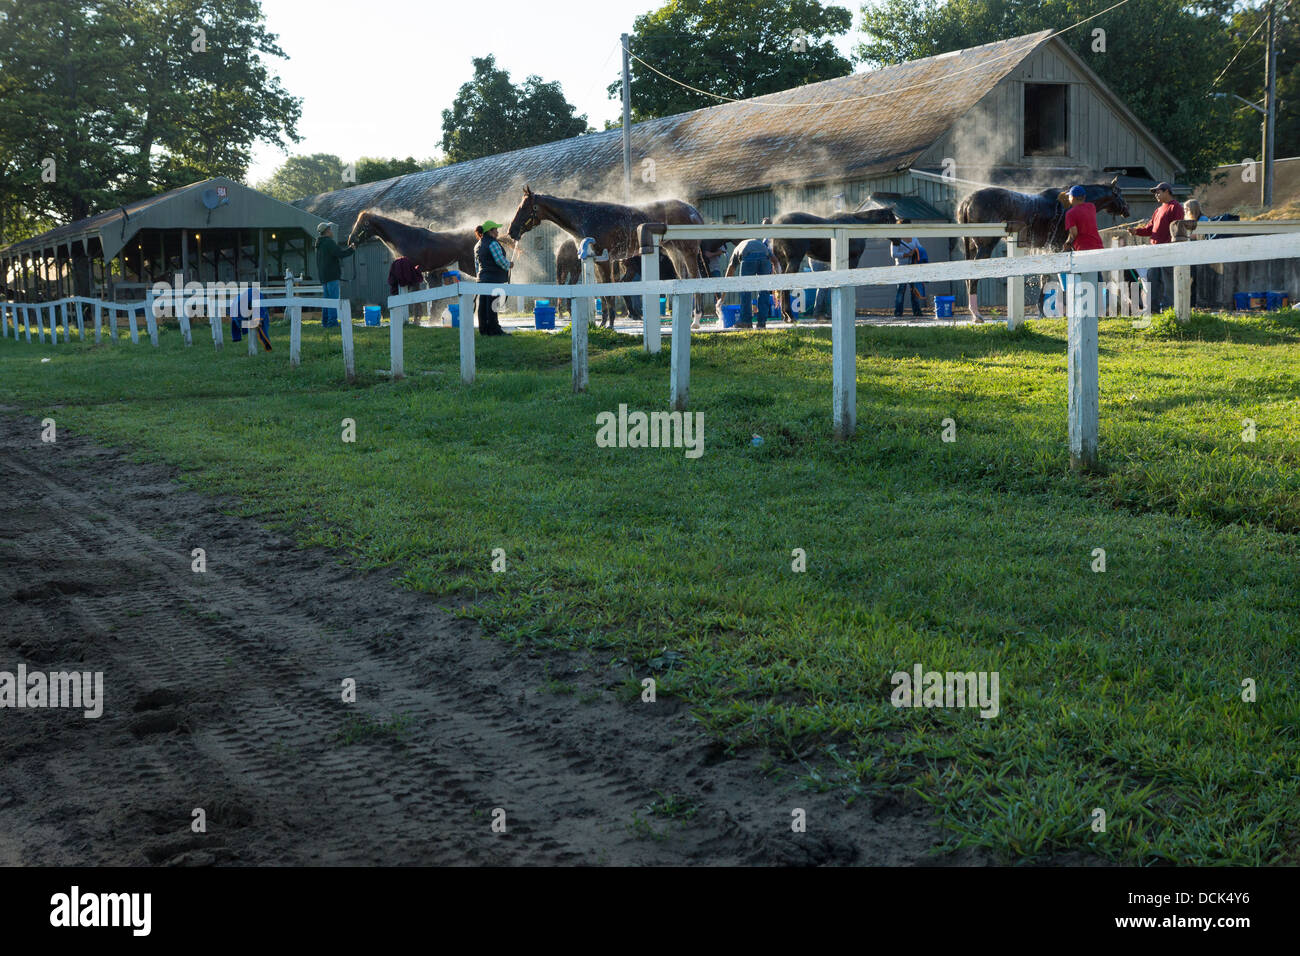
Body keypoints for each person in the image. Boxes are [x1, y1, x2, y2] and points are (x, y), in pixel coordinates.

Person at [1127, 182, 1183, 312]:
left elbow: (1177, 228)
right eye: (1155, 193)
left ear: (1167, 191)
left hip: (1168, 250)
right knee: (1152, 281)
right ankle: (1153, 309)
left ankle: (1169, 309)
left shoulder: (1176, 207)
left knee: (1168, 282)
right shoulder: (1158, 210)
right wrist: (1136, 231)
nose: (1156, 195)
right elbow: (1150, 229)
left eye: (1158, 192)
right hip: (1154, 251)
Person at [725, 229, 779, 329]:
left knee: (745, 290)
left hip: (748, 256)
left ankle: (746, 322)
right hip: (765, 257)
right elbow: (775, 261)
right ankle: (762, 323)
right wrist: (777, 279)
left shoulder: (738, 247)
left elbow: (730, 270)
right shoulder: (759, 243)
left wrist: (723, 293)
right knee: (764, 291)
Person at [473, 221, 511, 336]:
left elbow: (476, 265)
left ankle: (484, 330)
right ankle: (495, 330)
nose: (498, 231)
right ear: (490, 231)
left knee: (483, 305)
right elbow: (499, 261)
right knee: (493, 305)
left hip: (482, 279)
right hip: (493, 279)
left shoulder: (477, 245)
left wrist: (479, 277)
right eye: (496, 229)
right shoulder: (493, 243)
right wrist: (509, 264)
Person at [314, 222, 355, 328]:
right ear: (327, 231)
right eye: (330, 229)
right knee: (333, 301)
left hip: (324, 277)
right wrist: (351, 249)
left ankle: (325, 322)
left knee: (326, 301)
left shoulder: (319, 244)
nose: (331, 232)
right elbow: (340, 254)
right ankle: (332, 323)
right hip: (332, 276)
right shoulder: (329, 242)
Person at [889, 225, 925, 317]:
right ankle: (898, 312)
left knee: (915, 290)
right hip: (901, 268)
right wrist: (907, 254)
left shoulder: (914, 239)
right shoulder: (896, 240)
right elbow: (893, 254)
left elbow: (921, 248)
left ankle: (917, 311)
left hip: (913, 267)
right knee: (901, 290)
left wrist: (916, 251)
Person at [388, 256, 425, 323]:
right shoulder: (401, 262)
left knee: (416, 296)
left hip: (411, 275)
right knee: (415, 296)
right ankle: (415, 318)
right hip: (411, 275)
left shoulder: (400, 262)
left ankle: (416, 318)